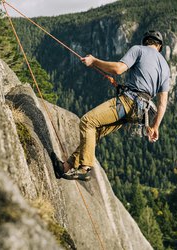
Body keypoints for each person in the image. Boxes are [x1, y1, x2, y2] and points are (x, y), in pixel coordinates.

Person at [51, 30, 170, 181]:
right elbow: (163, 102)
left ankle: (84, 168)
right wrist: (155, 126)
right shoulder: (165, 67)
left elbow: (118, 69)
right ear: (159, 46)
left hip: (128, 102)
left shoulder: (139, 50)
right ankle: (65, 167)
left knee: (88, 122)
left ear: (146, 41)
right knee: (96, 131)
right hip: (140, 113)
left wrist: (94, 61)